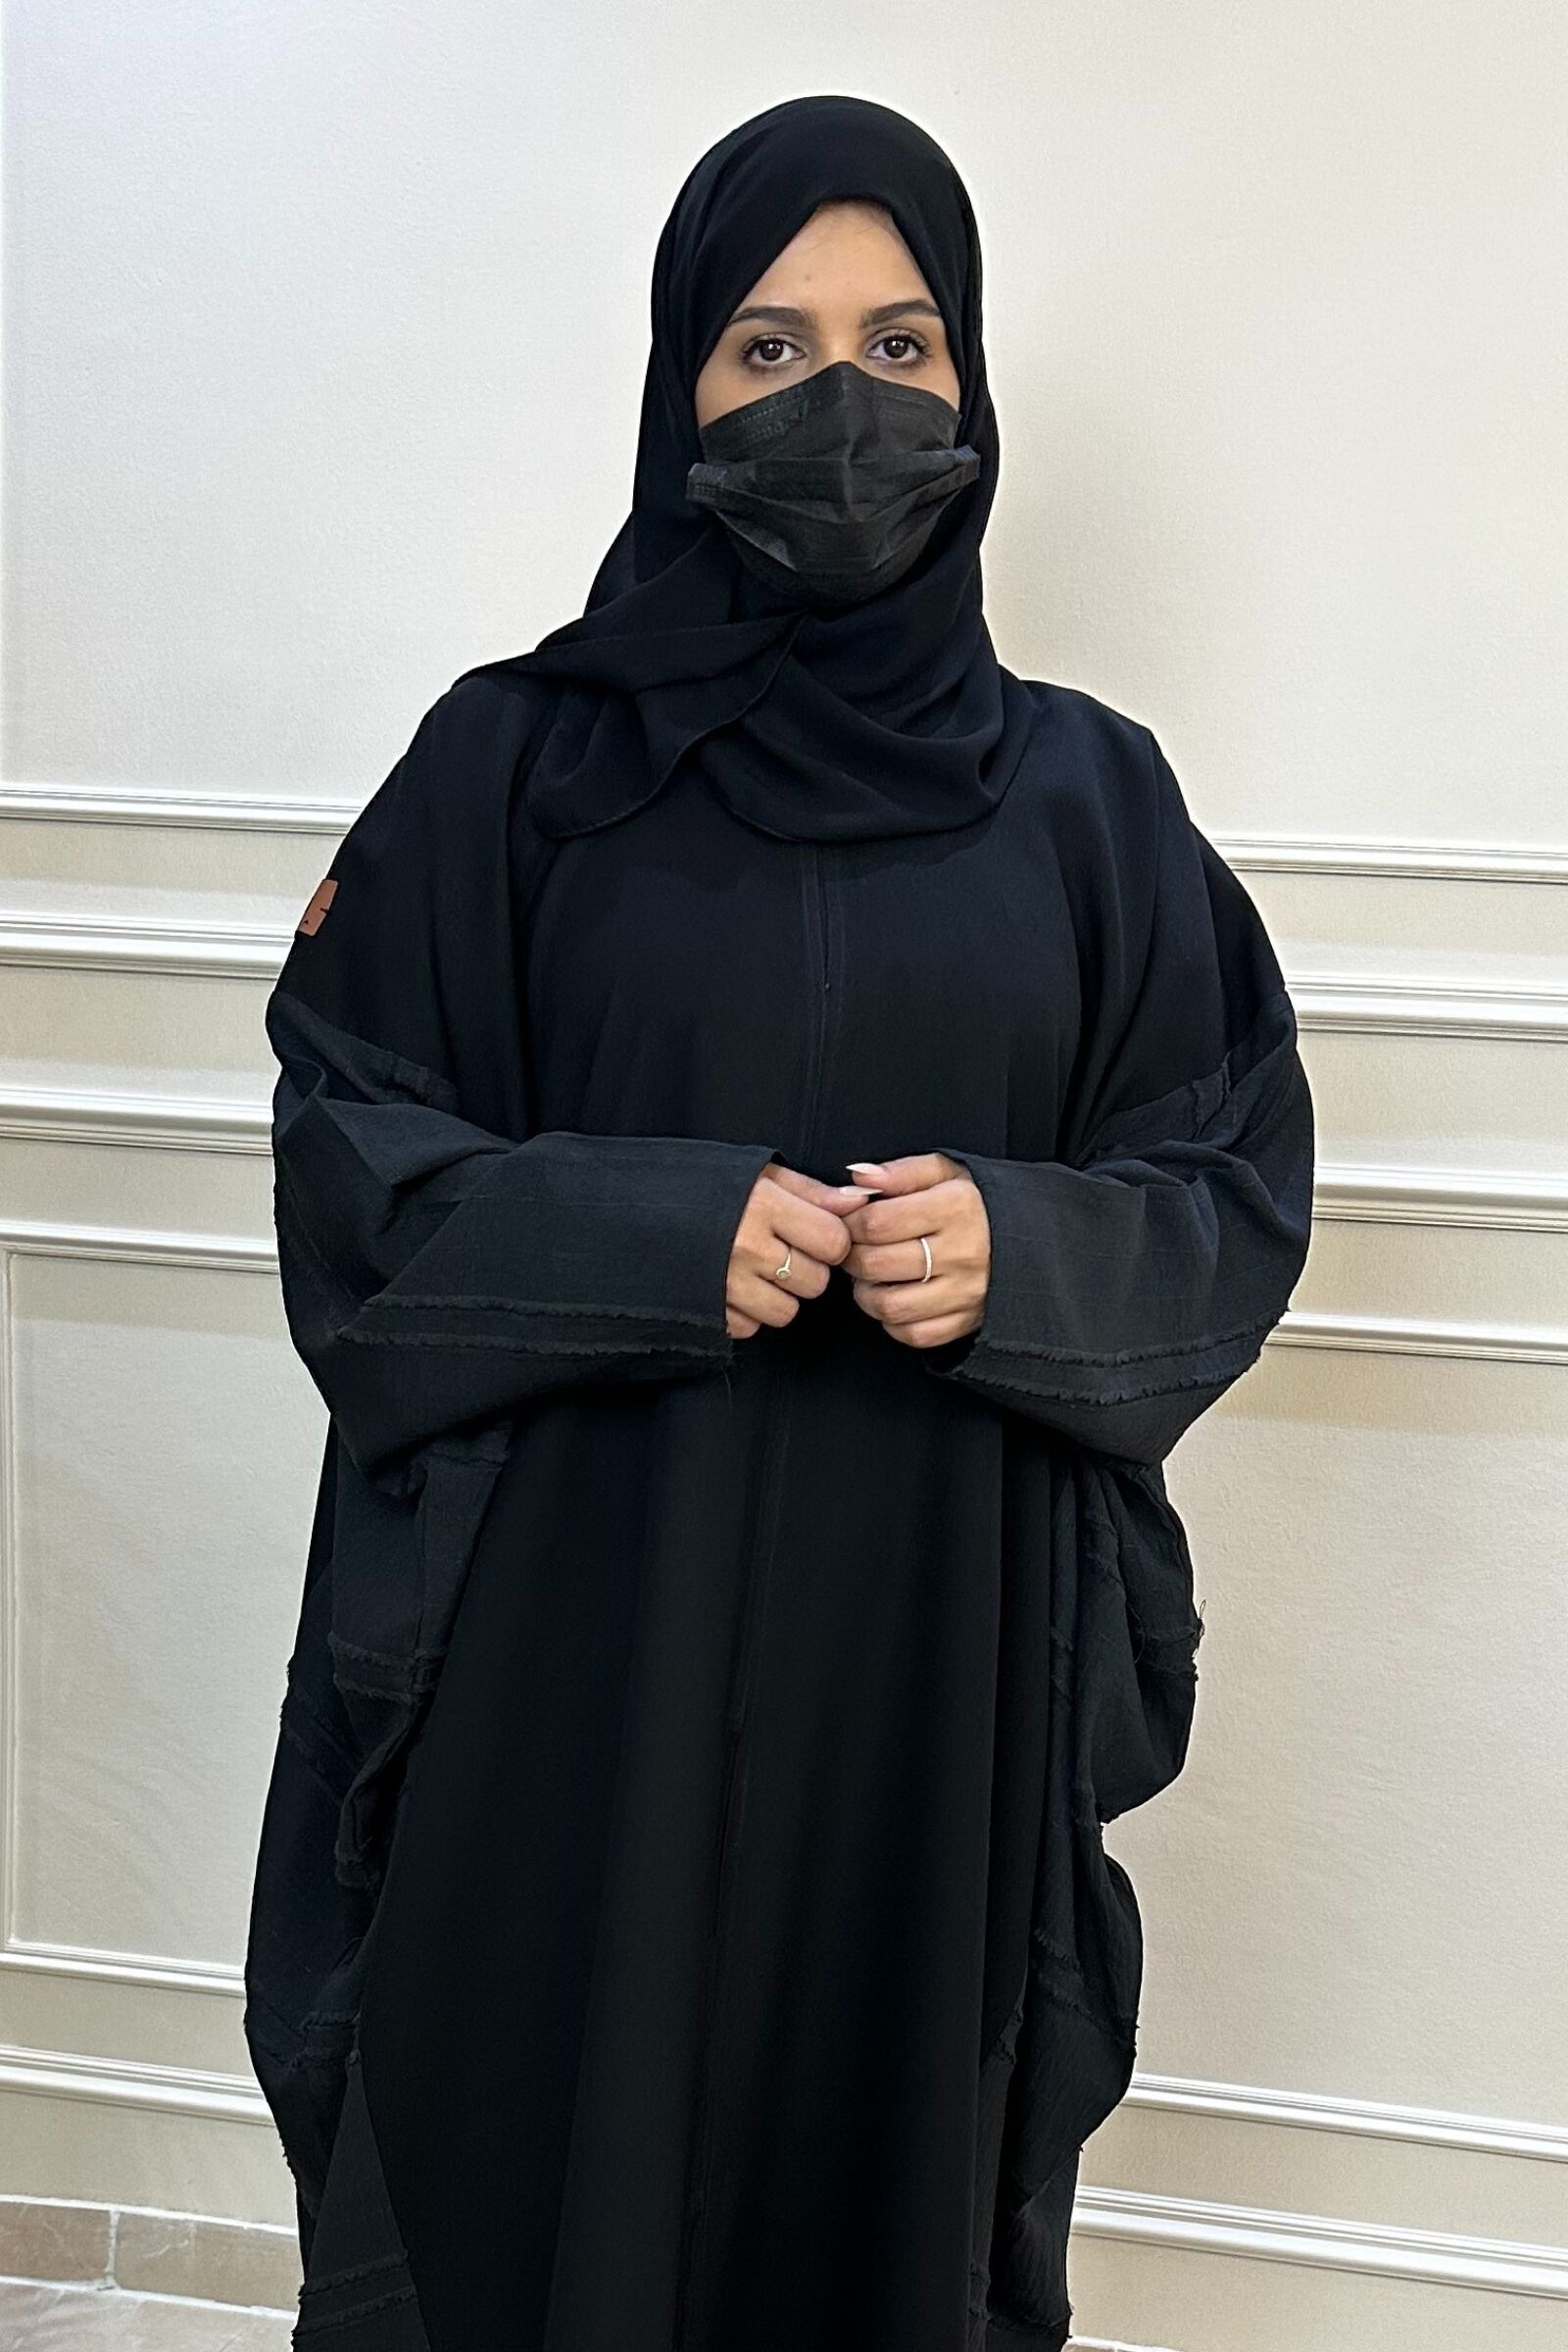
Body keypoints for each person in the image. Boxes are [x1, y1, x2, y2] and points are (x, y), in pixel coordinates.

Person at [242, 92, 1314, 2352]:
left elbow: (1223, 1178)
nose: (843, 403)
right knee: (538, 2166)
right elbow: (351, 1152)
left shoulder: (1089, 803)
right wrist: (641, 1232)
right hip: (574, 1654)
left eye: (899, 346)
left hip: (933, 1673)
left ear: (969, 381)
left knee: (880, 2183)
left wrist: (1024, 1256)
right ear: (679, 388)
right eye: (770, 348)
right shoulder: (509, 768)